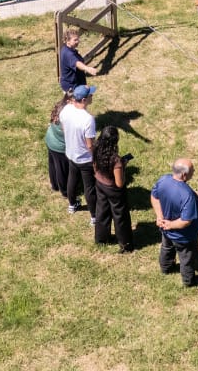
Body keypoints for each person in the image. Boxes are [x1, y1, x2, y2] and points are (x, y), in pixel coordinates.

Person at [151, 158, 198, 287]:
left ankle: (166, 268)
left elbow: (154, 196)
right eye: (192, 170)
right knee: (187, 258)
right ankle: (188, 281)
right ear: (184, 175)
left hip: (166, 229)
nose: (194, 171)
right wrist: (170, 224)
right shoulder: (187, 195)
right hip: (184, 236)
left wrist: (160, 217)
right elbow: (186, 221)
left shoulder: (163, 180)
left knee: (166, 248)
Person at [60, 84, 99, 220]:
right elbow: (90, 144)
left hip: (71, 153)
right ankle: (94, 216)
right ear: (83, 100)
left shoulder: (66, 109)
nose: (92, 96)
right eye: (90, 95)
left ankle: (72, 205)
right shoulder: (88, 119)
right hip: (85, 159)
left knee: (72, 180)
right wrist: (95, 158)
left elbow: (64, 129)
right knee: (89, 188)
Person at [92, 125, 133, 253]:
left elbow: (94, 167)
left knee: (102, 211)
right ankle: (125, 245)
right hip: (113, 190)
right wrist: (123, 166)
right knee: (120, 217)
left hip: (99, 184)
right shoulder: (116, 161)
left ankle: (101, 238)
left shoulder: (95, 149)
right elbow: (119, 183)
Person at [45, 96, 70, 203]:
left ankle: (54, 185)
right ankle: (64, 192)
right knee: (61, 169)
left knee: (52, 164)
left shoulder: (59, 107)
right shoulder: (66, 116)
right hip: (59, 147)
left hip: (50, 140)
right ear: (69, 101)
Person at [59, 27, 99, 94]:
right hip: (72, 87)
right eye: (75, 40)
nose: (78, 41)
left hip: (76, 84)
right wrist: (87, 68)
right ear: (67, 41)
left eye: (78, 39)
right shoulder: (68, 54)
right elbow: (76, 63)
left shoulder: (70, 49)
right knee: (76, 104)